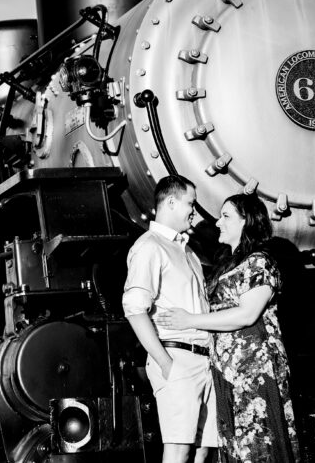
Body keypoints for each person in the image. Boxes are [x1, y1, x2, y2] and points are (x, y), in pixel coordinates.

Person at [157, 193, 299, 463]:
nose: (218, 223)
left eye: (226, 216)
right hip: (228, 372)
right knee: (236, 447)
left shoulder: (260, 262)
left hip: (253, 371)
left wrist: (189, 320)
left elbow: (247, 314)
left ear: (247, 221)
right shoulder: (227, 265)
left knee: (259, 446)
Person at [122, 175, 218, 463]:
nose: (194, 210)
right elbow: (134, 309)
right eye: (191, 203)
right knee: (178, 450)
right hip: (178, 358)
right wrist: (166, 363)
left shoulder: (187, 250)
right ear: (172, 202)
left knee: (203, 450)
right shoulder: (149, 246)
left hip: (204, 360)